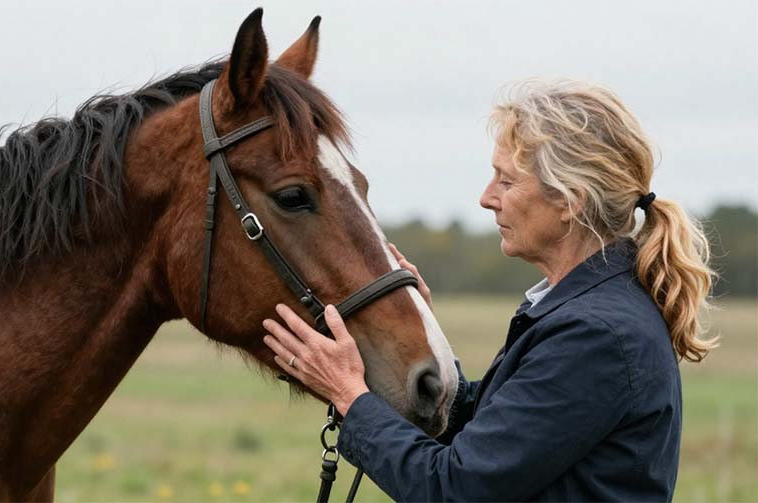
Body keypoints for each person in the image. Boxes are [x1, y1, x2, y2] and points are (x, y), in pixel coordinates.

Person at [262, 79, 717, 501]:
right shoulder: (582, 311)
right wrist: (419, 337)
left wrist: (350, 397)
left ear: (570, 199)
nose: (486, 196)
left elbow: (456, 488)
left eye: (506, 179)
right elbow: (503, 440)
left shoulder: (596, 334)